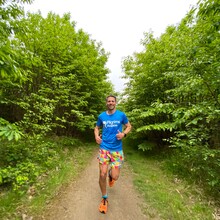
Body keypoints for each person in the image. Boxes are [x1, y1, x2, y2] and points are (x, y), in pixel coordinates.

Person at [94, 95, 132, 214]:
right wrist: (96, 136)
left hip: (117, 150)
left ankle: (111, 176)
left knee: (115, 176)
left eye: (113, 101)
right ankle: (104, 199)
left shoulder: (121, 115)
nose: (111, 103)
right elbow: (96, 127)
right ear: (106, 103)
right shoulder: (102, 116)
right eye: (109, 101)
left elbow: (129, 126)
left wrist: (124, 134)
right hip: (104, 148)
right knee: (102, 174)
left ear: (115, 103)